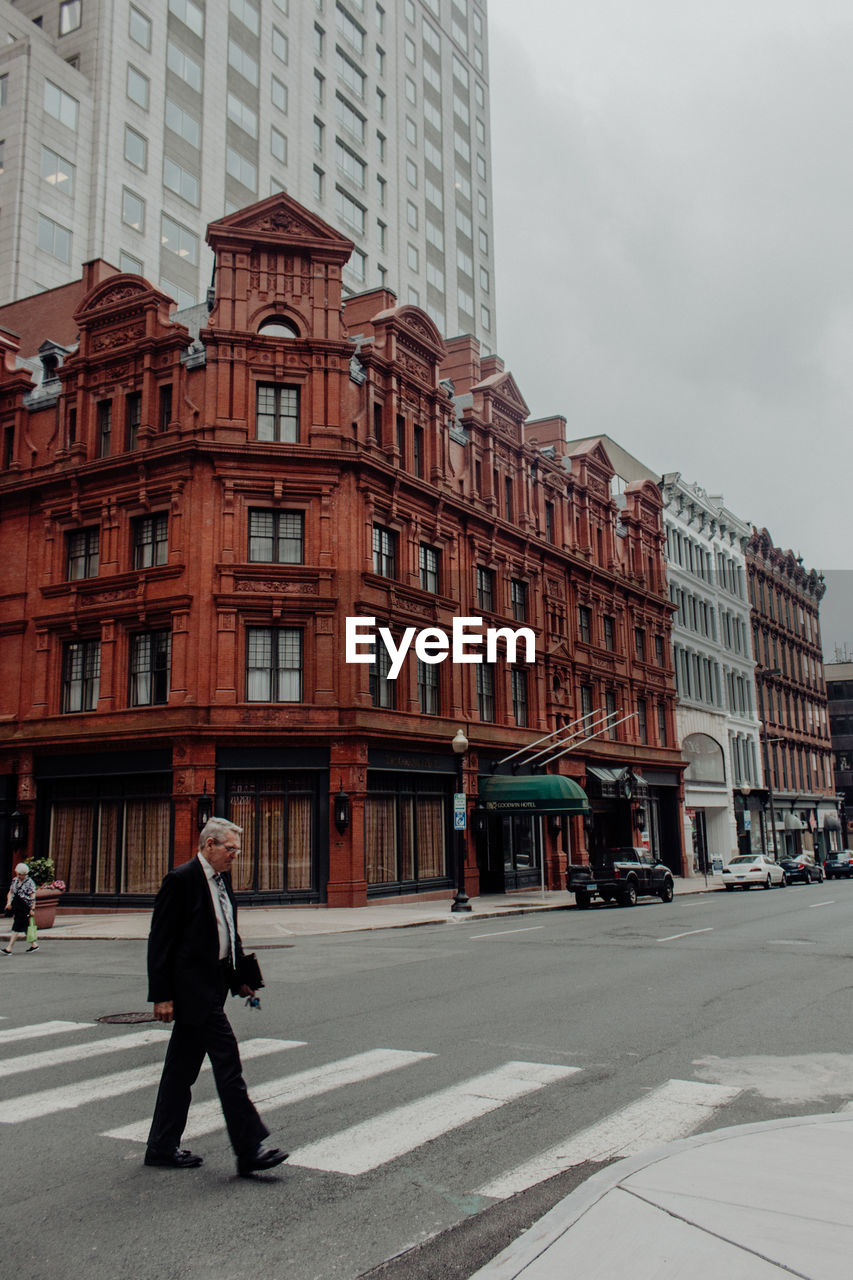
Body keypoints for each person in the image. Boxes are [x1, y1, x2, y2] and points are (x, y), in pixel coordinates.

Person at [145, 817, 288, 1176]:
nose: (235, 855)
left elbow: (227, 932)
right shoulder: (181, 880)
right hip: (194, 992)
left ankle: (161, 1145)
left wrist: (239, 978)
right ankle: (248, 1148)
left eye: (236, 850)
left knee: (180, 1071)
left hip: (212, 987)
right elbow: (160, 941)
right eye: (230, 848)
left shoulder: (222, 881)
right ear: (209, 845)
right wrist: (161, 996)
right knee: (228, 1064)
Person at [3, 863, 38, 954]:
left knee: (17, 925)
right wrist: (9, 902)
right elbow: (10, 892)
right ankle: (34, 945)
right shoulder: (15, 880)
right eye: (18, 874)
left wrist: (32, 909)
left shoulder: (29, 882)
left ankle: (9, 948)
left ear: (25, 874)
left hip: (25, 907)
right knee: (25, 925)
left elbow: (33, 897)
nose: (19, 876)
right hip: (16, 905)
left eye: (21, 874)